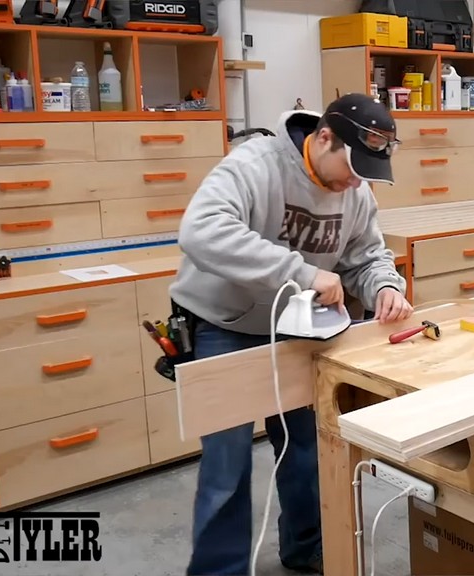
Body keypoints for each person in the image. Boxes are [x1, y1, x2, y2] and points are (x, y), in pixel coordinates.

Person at [169, 93, 413, 575]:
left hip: (297, 329)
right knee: (228, 467)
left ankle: (306, 548)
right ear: (324, 137)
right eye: (352, 165)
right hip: (226, 324)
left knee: (307, 450)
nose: (357, 181)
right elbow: (200, 231)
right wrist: (301, 273)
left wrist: (385, 286)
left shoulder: (355, 190)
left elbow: (366, 256)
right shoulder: (256, 165)